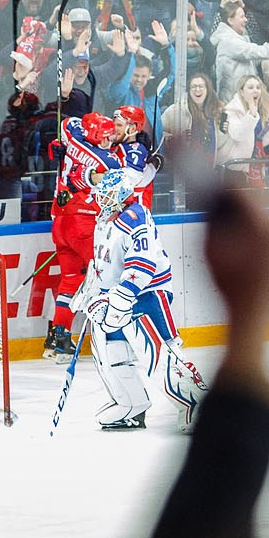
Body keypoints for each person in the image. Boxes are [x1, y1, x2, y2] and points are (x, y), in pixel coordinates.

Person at [79, 167, 208, 429]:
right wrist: (92, 291)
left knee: (162, 355)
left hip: (146, 295)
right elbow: (102, 262)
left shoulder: (135, 216)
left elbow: (143, 263)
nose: (101, 198)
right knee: (109, 352)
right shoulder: (104, 220)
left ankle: (195, 403)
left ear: (121, 194)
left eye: (107, 194)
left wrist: (122, 297)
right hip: (113, 299)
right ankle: (131, 405)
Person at [44, 109, 121, 360]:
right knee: (107, 275)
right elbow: (112, 178)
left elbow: (67, 124)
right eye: (106, 136)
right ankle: (112, 337)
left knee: (70, 281)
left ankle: (58, 338)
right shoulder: (107, 160)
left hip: (60, 222)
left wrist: (58, 146)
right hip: (83, 224)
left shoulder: (72, 136)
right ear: (97, 135)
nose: (110, 141)